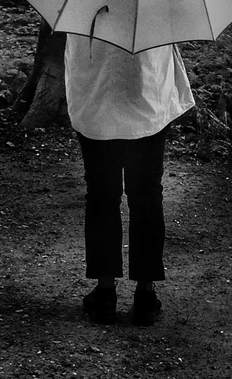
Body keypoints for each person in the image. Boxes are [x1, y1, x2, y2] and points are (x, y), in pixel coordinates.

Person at [64, 33, 193, 326]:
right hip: (146, 90)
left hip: (95, 92)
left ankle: (106, 291)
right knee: (146, 193)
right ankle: (145, 295)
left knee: (102, 193)